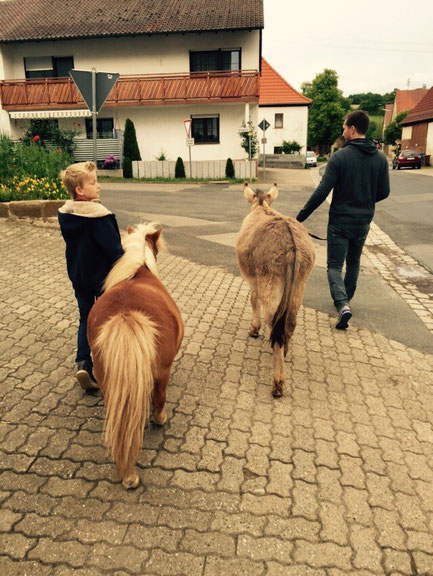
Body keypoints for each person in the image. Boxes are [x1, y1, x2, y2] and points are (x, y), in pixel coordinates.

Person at [296, 110, 390, 329]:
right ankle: (346, 302)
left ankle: (342, 305)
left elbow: (321, 191)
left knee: (335, 266)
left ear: (353, 129)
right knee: (354, 261)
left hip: (340, 222)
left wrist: (299, 218)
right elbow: (384, 192)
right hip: (364, 222)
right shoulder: (380, 159)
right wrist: (364, 200)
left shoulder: (340, 157)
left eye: (344, 127)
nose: (343, 131)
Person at [58, 161, 124, 389]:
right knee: (109, 318)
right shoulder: (98, 216)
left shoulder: (66, 214)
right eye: (93, 182)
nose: (99, 186)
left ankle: (84, 363)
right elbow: (113, 249)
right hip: (104, 278)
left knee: (86, 318)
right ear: (80, 190)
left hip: (79, 275)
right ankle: (110, 365)